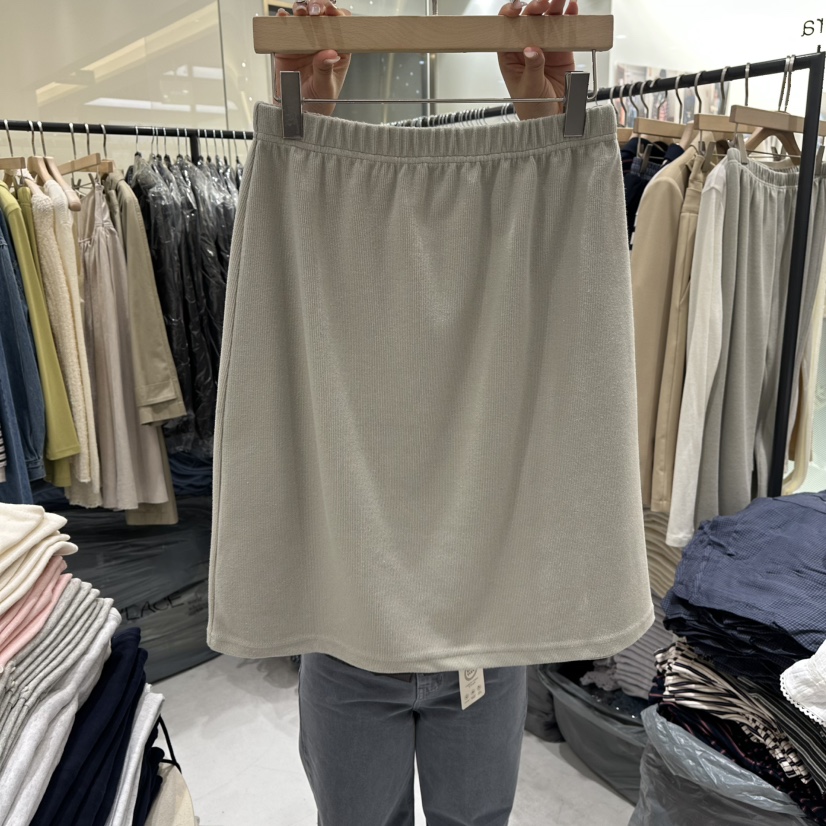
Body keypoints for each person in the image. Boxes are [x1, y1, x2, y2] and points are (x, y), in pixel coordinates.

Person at [271, 2, 581, 824]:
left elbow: (566, 284)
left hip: (483, 626)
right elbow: (280, 258)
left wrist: (544, 119)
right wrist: (306, 122)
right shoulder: (320, 261)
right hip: (347, 623)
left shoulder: (508, 271)